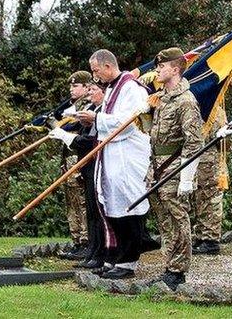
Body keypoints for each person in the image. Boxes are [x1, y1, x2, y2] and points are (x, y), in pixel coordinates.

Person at [76, 49, 158, 280]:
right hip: (111, 157)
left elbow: (130, 122)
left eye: (96, 70)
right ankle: (115, 256)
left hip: (128, 157)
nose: (94, 76)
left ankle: (129, 261)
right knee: (112, 205)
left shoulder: (132, 88)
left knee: (128, 205)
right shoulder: (112, 88)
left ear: (108, 66)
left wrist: (97, 119)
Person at [146, 47, 204, 290]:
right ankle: (169, 266)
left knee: (178, 220)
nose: (157, 70)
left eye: (162, 66)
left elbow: (194, 142)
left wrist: (186, 178)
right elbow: (157, 137)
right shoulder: (163, 98)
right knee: (165, 221)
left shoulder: (186, 101)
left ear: (176, 68)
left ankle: (178, 271)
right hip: (158, 168)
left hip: (175, 170)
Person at [50, 80, 106, 269]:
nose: (90, 94)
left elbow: (89, 141)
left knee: (96, 213)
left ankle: (99, 253)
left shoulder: (101, 114)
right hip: (87, 166)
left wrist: (66, 136)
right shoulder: (92, 111)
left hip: (96, 165)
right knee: (90, 212)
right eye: (88, 90)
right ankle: (92, 250)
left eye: (93, 90)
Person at [54, 71, 92, 261]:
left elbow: (71, 126)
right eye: (71, 86)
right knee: (72, 203)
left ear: (87, 87)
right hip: (67, 159)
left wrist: (54, 125)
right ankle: (76, 240)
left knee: (82, 201)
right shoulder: (71, 107)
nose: (71, 89)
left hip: (78, 160)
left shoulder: (87, 106)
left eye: (75, 86)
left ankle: (86, 241)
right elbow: (58, 115)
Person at [191, 105, 226, 255]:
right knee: (199, 200)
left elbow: (222, 138)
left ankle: (211, 240)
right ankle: (201, 236)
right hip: (197, 159)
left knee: (210, 200)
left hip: (210, 160)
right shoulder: (195, 107)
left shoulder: (215, 110)